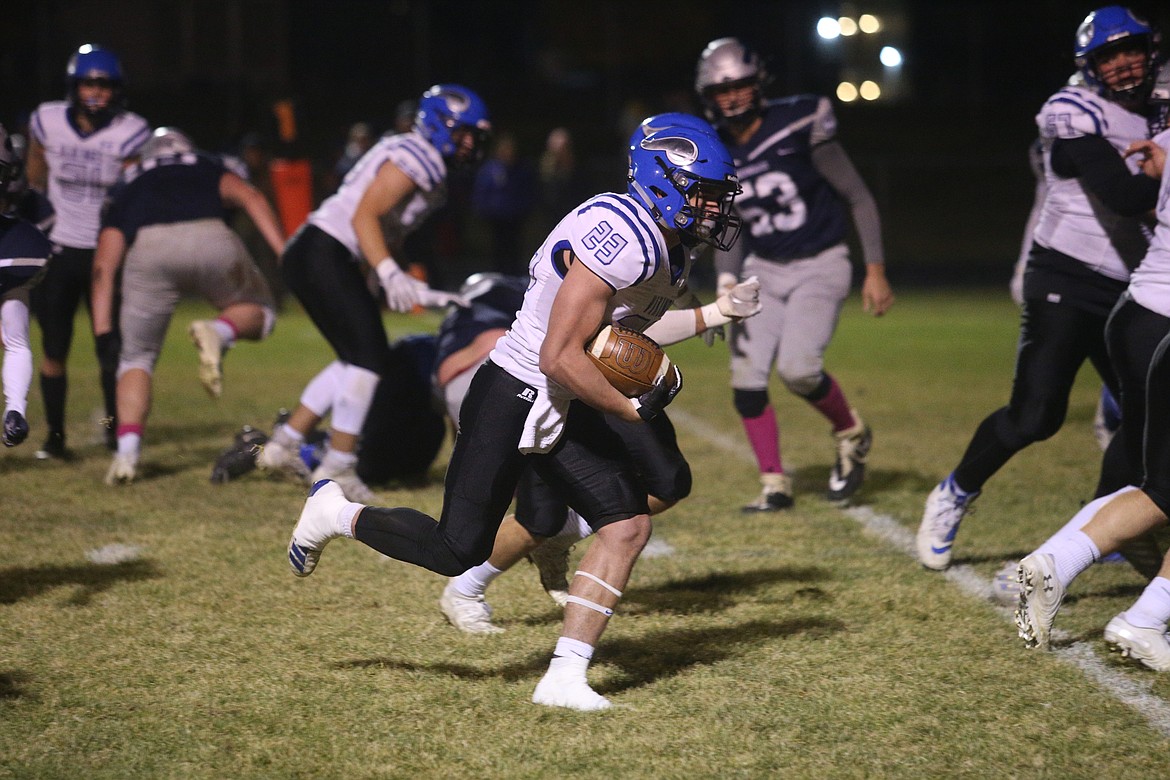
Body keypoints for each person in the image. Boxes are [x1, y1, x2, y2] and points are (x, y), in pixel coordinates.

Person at [285, 124, 745, 710]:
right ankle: (334, 512)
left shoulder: (665, 242)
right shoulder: (623, 235)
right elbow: (558, 355)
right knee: (456, 548)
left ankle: (564, 677)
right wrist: (628, 406)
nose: (714, 208)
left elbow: (620, 334)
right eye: (703, 193)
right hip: (516, 392)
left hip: (563, 397)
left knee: (628, 524)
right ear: (665, 182)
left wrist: (710, 317)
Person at [916, 7, 1163, 571]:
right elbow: (1122, 196)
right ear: (1090, 65)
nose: (1124, 64)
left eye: (1131, 50)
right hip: (1066, 276)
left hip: (1133, 285)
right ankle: (955, 491)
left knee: (1141, 416)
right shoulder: (1070, 109)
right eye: (1109, 55)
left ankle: (1098, 529)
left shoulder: (1160, 103)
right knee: (1037, 416)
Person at [255, 84, 491, 503]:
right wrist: (386, 271)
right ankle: (338, 467)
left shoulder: (424, 162)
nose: (469, 143)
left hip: (323, 253)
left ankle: (285, 442)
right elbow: (367, 213)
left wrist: (402, 277)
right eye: (462, 133)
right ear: (437, 126)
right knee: (368, 358)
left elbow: (381, 230)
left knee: (358, 357)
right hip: (326, 250)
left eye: (475, 135)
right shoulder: (419, 154)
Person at [694, 37, 894, 512]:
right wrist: (725, 283)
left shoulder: (798, 121)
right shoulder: (716, 148)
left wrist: (876, 269)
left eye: (740, 86)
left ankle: (851, 433)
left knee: (799, 370)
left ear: (758, 82)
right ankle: (774, 485)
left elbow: (859, 196)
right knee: (745, 377)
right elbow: (730, 224)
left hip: (820, 262)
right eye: (721, 91)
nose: (732, 98)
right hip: (763, 268)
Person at [1014, 128, 1170, 670]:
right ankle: (1146, 616)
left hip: (1148, 315)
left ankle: (1057, 560)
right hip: (1158, 314)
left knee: (1162, 486)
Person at [89, 127, 284, 484]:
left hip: (150, 250)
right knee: (262, 312)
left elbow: (104, 265)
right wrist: (284, 252)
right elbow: (251, 198)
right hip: (210, 237)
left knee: (136, 358)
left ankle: (128, 454)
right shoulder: (205, 164)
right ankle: (221, 331)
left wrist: (102, 330)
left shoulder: (129, 180)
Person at [26, 44, 151, 459]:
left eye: (104, 84)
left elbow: (135, 197)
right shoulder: (46, 122)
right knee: (54, 348)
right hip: (59, 250)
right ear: (74, 86)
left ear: (116, 90)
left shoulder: (131, 132)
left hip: (106, 258)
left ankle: (115, 433)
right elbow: (33, 182)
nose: (96, 92)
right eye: (89, 83)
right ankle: (55, 437)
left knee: (110, 352)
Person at [0, 124, 53, 448]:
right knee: (17, 339)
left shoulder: (22, 239)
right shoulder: (23, 239)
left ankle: (16, 409)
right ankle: (15, 409)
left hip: (10, 252)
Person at [471, 131, 536, 275]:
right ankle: (498, 277)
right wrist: (483, 210)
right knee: (497, 250)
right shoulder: (490, 169)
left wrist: (524, 209)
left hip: (515, 217)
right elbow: (481, 192)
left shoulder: (522, 169)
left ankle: (513, 277)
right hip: (495, 218)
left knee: (514, 249)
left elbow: (528, 192)